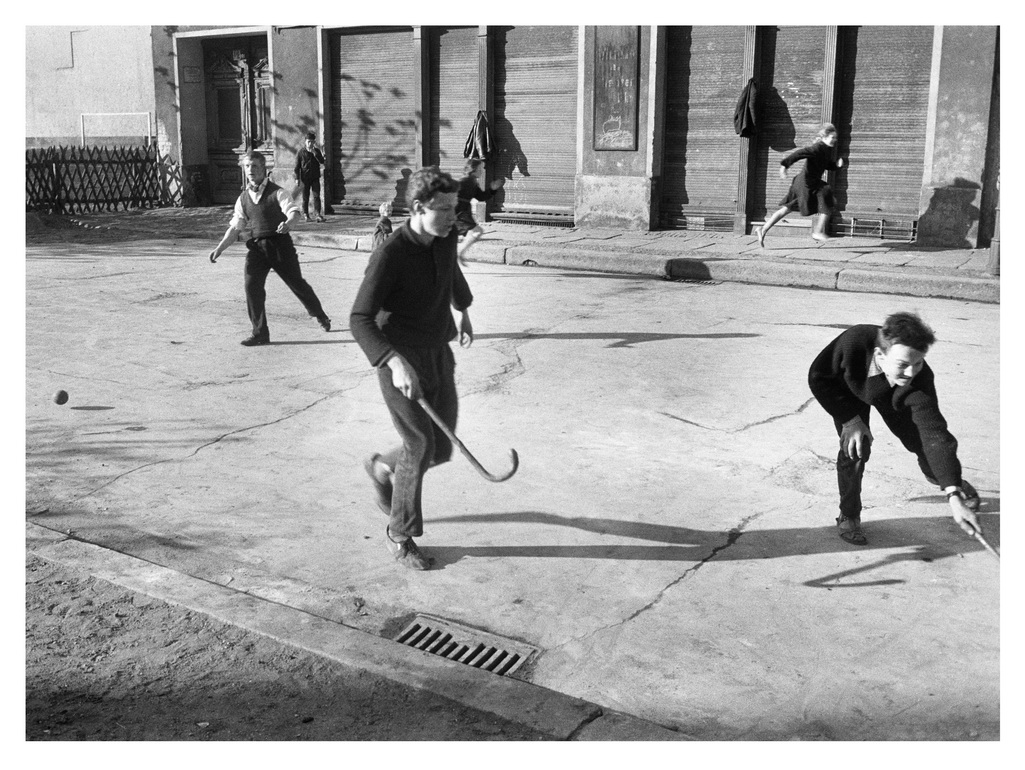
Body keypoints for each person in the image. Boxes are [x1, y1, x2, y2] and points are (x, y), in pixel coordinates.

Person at [350, 166, 474, 571]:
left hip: (438, 349)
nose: (454, 216)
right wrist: (393, 361)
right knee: (420, 444)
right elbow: (360, 318)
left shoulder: (444, 234)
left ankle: (383, 467)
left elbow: (449, 271)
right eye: (445, 209)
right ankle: (399, 534)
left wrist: (464, 309)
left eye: (456, 207)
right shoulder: (391, 254)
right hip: (399, 359)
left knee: (438, 449)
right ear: (418, 208)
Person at [808, 312, 982, 546]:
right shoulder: (854, 342)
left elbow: (935, 435)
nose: (911, 373)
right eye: (903, 364)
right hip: (848, 392)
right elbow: (818, 377)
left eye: (918, 362)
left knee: (923, 445)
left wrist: (952, 493)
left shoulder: (917, 380)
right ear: (880, 354)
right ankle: (848, 514)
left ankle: (949, 481)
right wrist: (850, 419)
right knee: (856, 449)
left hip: (891, 393)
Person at [209, 151, 331, 346]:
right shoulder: (243, 198)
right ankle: (260, 333)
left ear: (263, 169)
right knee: (252, 287)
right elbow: (235, 227)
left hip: (279, 245)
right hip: (257, 248)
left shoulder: (278, 192)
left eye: (255, 166)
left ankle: (320, 315)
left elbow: (293, 212)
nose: (251, 170)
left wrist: (289, 223)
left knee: (296, 284)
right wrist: (219, 249)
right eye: (247, 166)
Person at [756, 123, 844, 247]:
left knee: (786, 209)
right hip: (806, 183)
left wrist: (836, 166)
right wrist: (784, 165)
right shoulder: (817, 148)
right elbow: (799, 153)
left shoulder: (825, 150)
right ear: (824, 137)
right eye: (832, 137)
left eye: (835, 138)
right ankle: (818, 232)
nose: (834, 140)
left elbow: (826, 165)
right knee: (827, 195)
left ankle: (762, 229)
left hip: (804, 183)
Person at [455, 159, 504, 264]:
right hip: (460, 212)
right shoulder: (465, 181)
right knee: (477, 232)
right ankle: (458, 254)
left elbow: (481, 197)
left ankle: (456, 254)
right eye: (480, 169)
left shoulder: (471, 181)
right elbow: (453, 194)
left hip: (462, 212)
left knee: (465, 234)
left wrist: (492, 189)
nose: (482, 171)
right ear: (474, 169)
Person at [294, 132, 326, 223]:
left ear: (314, 142)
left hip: (315, 177)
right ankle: (306, 214)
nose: (310, 144)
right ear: (305, 142)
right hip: (305, 178)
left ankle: (318, 214)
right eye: (308, 141)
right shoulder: (301, 152)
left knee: (316, 196)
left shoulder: (317, 151)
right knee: (305, 197)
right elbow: (297, 167)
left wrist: (315, 154)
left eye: (312, 142)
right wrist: (297, 178)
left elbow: (322, 161)